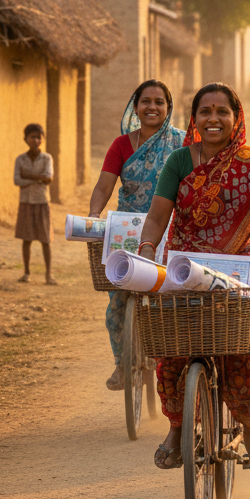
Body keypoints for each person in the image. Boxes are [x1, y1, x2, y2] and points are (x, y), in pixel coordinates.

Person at [138, 83, 250, 474]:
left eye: (223, 111)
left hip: (240, 271)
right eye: (206, 111)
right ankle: (177, 427)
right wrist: (148, 249)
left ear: (237, 118)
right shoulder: (180, 161)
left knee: (247, 350)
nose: (214, 119)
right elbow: (156, 217)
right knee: (173, 351)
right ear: (195, 118)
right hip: (186, 268)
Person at [88, 80, 185, 391]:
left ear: (169, 109)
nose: (152, 107)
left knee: (168, 301)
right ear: (135, 106)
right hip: (128, 232)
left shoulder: (182, 144)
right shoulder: (121, 145)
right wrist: (93, 216)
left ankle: (169, 369)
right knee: (118, 300)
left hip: (170, 230)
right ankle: (122, 364)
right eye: (146, 101)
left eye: (159, 102)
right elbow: (104, 186)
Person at [14, 123, 54, 285]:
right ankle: (26, 273)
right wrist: (37, 178)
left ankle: (48, 275)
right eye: (33, 137)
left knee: (46, 240)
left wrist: (28, 176)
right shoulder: (20, 159)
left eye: (39, 137)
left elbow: (48, 178)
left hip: (42, 201)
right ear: (25, 139)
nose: (36, 140)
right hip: (26, 202)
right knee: (26, 239)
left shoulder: (47, 158)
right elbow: (17, 180)